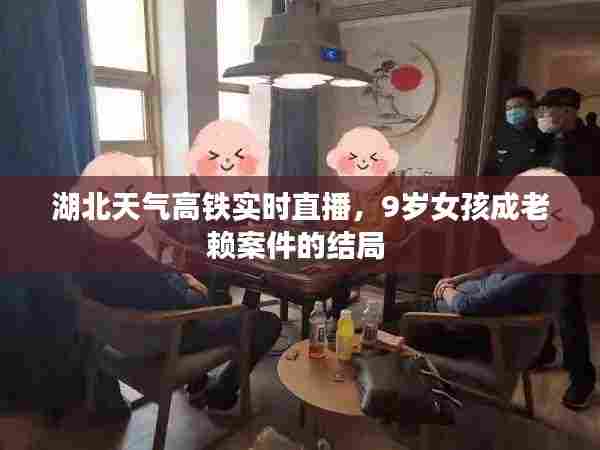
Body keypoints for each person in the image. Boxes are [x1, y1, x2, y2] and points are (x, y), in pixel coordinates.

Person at [74, 219, 282, 415]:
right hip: (166, 337)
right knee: (266, 322)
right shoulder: (128, 259)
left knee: (210, 292)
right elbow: (188, 302)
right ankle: (220, 394)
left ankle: (198, 383)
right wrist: (188, 282)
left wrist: (180, 277)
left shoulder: (82, 261)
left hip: (125, 338)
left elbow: (163, 274)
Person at [535, 87, 597, 410]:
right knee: (540, 295)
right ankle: (544, 351)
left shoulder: (591, 146)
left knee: (566, 306)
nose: (544, 116)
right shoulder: (552, 141)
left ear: (569, 111)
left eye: (549, 110)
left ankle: (581, 380)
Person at [483, 87, 549, 176]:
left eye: (518, 106)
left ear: (532, 108)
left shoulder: (543, 135)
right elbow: (490, 168)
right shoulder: (501, 134)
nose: (513, 111)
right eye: (508, 108)